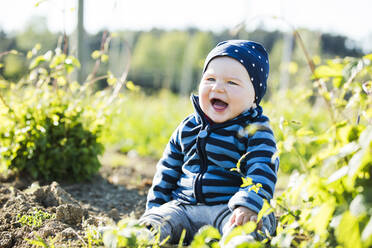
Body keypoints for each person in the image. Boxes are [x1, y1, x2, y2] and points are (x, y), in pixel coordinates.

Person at [139, 40, 279, 245]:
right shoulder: (188, 127)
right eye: (210, 79)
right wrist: (156, 207)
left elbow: (262, 167)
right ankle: (143, 234)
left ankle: (239, 240)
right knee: (161, 220)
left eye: (232, 83)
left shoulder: (255, 129)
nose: (218, 88)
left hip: (229, 210)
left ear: (254, 98)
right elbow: (168, 169)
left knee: (247, 226)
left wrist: (248, 204)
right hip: (184, 208)